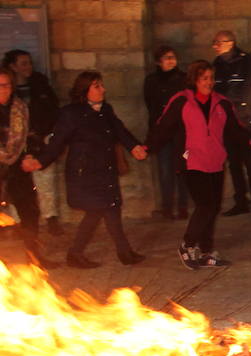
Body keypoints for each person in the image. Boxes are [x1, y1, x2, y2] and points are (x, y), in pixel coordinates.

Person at [22, 71, 148, 268]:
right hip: (85, 174)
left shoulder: (105, 109)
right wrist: (40, 161)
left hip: (105, 170)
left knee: (108, 210)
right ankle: (85, 253)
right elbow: (58, 142)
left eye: (101, 85)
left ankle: (120, 252)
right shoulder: (71, 113)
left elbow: (120, 130)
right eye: (97, 86)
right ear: (85, 90)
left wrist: (134, 147)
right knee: (100, 210)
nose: (103, 89)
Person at [147, 59, 246, 269]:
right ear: (194, 80)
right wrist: (147, 147)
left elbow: (235, 129)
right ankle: (187, 244)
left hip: (215, 161)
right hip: (191, 161)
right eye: (204, 79)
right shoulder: (182, 101)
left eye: (211, 78)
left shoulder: (222, 103)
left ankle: (206, 251)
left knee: (214, 207)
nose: (208, 82)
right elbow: (163, 127)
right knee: (205, 205)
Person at [0, 66, 54, 267]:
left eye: (6, 85)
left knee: (30, 212)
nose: (3, 89)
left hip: (17, 169)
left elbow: (31, 135)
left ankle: (33, 256)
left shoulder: (20, 108)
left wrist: (30, 154)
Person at [4, 49, 61, 234]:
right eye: (23, 63)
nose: (28, 67)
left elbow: (51, 109)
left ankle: (48, 221)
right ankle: (17, 223)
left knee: (43, 183)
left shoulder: (38, 86)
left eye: (29, 62)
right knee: (15, 191)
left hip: (37, 141)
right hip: (9, 155)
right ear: (12, 67)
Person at [211, 30, 251, 218]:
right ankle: (241, 201)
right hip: (226, 122)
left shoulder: (246, 63)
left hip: (244, 121)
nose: (215, 46)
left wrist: (247, 118)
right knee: (234, 163)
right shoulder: (217, 65)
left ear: (230, 43)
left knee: (250, 163)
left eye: (218, 42)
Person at [143, 45, 189, 220]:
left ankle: (183, 207)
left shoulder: (183, 79)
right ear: (158, 62)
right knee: (165, 170)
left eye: (173, 57)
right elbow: (151, 105)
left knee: (182, 169)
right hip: (162, 131)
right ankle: (167, 208)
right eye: (166, 58)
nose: (170, 61)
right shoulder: (151, 81)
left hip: (181, 130)